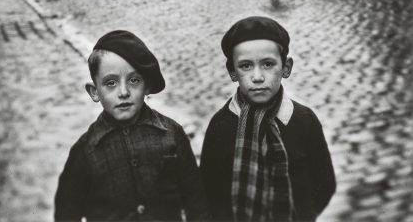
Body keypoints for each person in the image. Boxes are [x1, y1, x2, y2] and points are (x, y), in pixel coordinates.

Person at [54, 30, 209, 221]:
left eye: (134, 80)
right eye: (111, 83)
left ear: (147, 86)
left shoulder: (172, 134)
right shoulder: (86, 150)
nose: (124, 92)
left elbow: (197, 202)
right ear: (94, 92)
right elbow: (67, 213)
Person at [200, 16, 336, 222]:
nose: (257, 76)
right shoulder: (221, 125)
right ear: (232, 72)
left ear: (286, 67)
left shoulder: (304, 121)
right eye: (245, 66)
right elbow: (210, 191)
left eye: (268, 64)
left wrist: (303, 215)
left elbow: (324, 183)